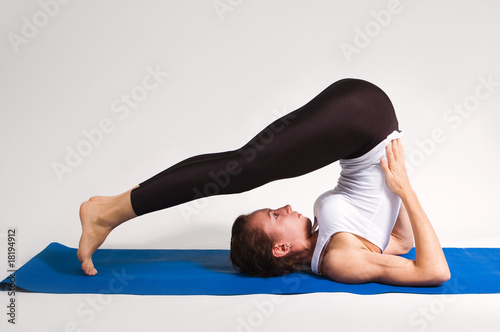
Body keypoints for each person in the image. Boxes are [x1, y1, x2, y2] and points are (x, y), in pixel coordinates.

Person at [77, 78, 450, 286]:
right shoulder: (339, 260)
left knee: (242, 165)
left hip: (362, 124)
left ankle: (111, 209)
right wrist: (406, 190)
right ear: (281, 249)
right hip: (364, 121)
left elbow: (397, 243)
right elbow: (426, 265)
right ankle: (107, 211)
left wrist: (397, 188)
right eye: (274, 215)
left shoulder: (330, 247)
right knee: (242, 167)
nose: (285, 207)